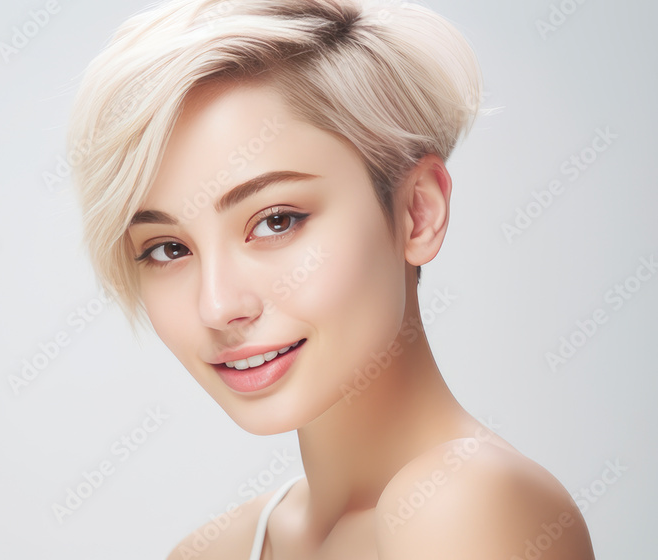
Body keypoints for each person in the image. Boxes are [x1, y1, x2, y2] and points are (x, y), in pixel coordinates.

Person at [66, 0, 596, 558]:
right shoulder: (212, 550)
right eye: (168, 249)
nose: (218, 306)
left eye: (276, 221)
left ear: (418, 212)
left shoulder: (469, 504)